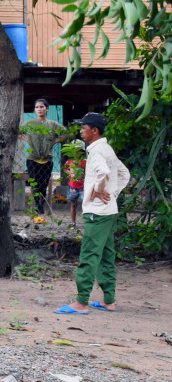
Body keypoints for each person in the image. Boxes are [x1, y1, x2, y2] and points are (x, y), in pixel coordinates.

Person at [55, 112, 130, 315]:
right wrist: (111, 194)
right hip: (109, 211)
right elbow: (124, 174)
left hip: (97, 212)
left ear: (94, 131)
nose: (81, 131)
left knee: (89, 254)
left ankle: (81, 302)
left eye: (84, 128)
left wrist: (97, 191)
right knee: (106, 255)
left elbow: (104, 173)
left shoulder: (96, 151)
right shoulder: (106, 148)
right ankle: (109, 301)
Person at [19, 98, 66, 214]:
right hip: (32, 159)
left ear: (47, 109)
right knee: (34, 183)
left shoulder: (52, 124)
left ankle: (41, 204)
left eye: (41, 107)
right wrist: (27, 140)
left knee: (43, 185)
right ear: (34, 110)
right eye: (37, 107)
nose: (39, 109)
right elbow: (19, 132)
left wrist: (55, 141)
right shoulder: (30, 124)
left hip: (47, 159)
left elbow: (66, 133)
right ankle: (38, 206)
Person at [62, 139, 87, 228]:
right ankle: (73, 222)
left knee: (86, 204)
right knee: (73, 204)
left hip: (83, 186)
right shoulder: (69, 163)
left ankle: (86, 222)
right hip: (73, 186)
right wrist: (69, 173)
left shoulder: (85, 162)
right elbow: (65, 168)